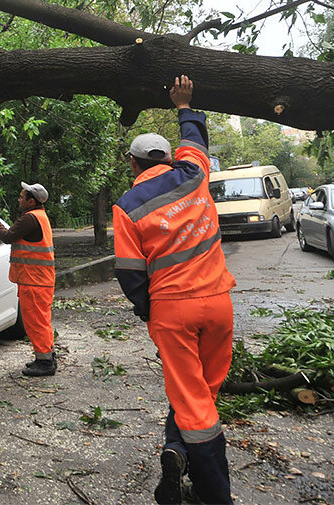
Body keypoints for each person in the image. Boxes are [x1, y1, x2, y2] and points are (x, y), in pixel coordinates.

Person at [113, 75, 236, 505]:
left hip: (172, 312)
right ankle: (179, 451)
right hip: (218, 303)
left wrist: (150, 310)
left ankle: (213, 494)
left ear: (133, 164)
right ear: (168, 156)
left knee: (192, 401)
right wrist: (184, 105)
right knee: (204, 390)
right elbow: (195, 140)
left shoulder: (127, 207)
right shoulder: (195, 174)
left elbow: (129, 272)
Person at [0, 182, 56, 376]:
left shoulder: (30, 218)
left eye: (22, 196)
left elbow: (8, 237)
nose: (19, 199)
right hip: (40, 279)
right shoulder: (39, 216)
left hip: (33, 280)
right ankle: (47, 356)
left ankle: (45, 362)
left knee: (35, 322)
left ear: (31, 201)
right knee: (42, 320)